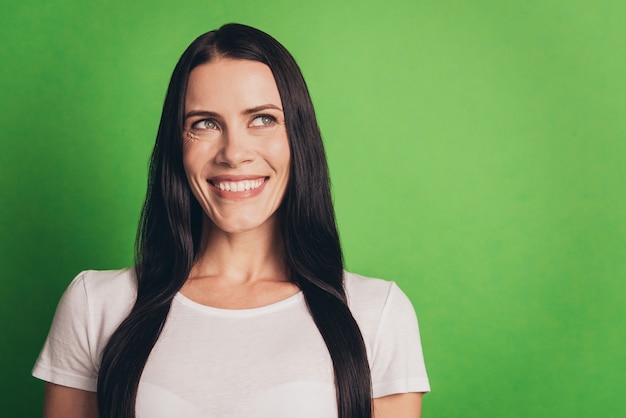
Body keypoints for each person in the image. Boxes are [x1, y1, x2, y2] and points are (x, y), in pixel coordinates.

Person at [32, 23, 430, 418]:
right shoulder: (95, 305)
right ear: (177, 146)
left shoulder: (376, 314)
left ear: (299, 138)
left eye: (262, 119)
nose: (234, 153)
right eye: (204, 123)